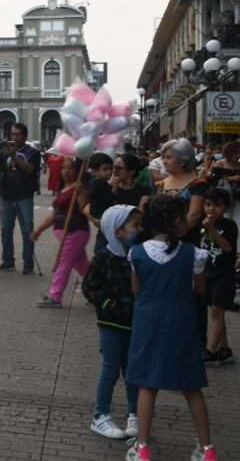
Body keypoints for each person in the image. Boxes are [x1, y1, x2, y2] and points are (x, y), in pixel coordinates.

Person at [124, 195, 216, 461]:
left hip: (147, 322)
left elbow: (136, 288)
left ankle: (142, 448)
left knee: (146, 384)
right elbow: (200, 290)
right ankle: (207, 449)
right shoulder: (194, 254)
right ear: (177, 222)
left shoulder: (137, 252)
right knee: (191, 386)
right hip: (182, 322)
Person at [81, 205, 143, 440]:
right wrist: (108, 305)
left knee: (133, 371)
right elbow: (89, 288)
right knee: (110, 369)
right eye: (134, 226)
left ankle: (134, 414)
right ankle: (101, 415)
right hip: (111, 325)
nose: (138, 230)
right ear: (117, 231)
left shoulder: (138, 254)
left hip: (136, 323)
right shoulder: (104, 257)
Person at [33, 158, 90, 308]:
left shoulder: (79, 188)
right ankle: (99, 292)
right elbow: (54, 215)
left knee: (63, 264)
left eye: (70, 168)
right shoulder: (63, 188)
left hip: (75, 231)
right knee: (84, 267)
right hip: (65, 232)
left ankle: (55, 296)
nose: (66, 171)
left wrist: (82, 193)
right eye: (63, 168)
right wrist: (39, 230)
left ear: (77, 170)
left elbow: (84, 208)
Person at [0, 122, 41, 273]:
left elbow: (30, 169)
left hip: (24, 196)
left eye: (18, 134)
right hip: (6, 195)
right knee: (6, 230)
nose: (14, 137)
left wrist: (14, 157)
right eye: (12, 134)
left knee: (27, 230)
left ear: (25, 136)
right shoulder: (4, 150)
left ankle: (28, 264)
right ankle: (8, 261)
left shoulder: (32, 152)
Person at [198, 188, 236, 365]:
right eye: (208, 204)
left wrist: (211, 229)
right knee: (214, 311)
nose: (211, 209)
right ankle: (224, 348)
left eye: (217, 205)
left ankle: (210, 350)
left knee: (217, 310)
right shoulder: (201, 223)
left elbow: (227, 248)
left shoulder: (229, 225)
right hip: (208, 273)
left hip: (224, 273)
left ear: (225, 207)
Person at [157, 138, 208, 240]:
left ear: (182, 161)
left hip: (187, 239)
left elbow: (194, 215)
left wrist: (172, 236)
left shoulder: (197, 184)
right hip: (162, 239)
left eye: (168, 157)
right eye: (163, 157)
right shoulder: (162, 183)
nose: (164, 161)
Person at [85, 153, 116, 254]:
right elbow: (108, 198)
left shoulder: (94, 182)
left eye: (111, 169)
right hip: (102, 217)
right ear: (94, 171)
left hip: (99, 217)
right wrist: (114, 188)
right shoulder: (100, 184)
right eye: (105, 169)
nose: (109, 172)